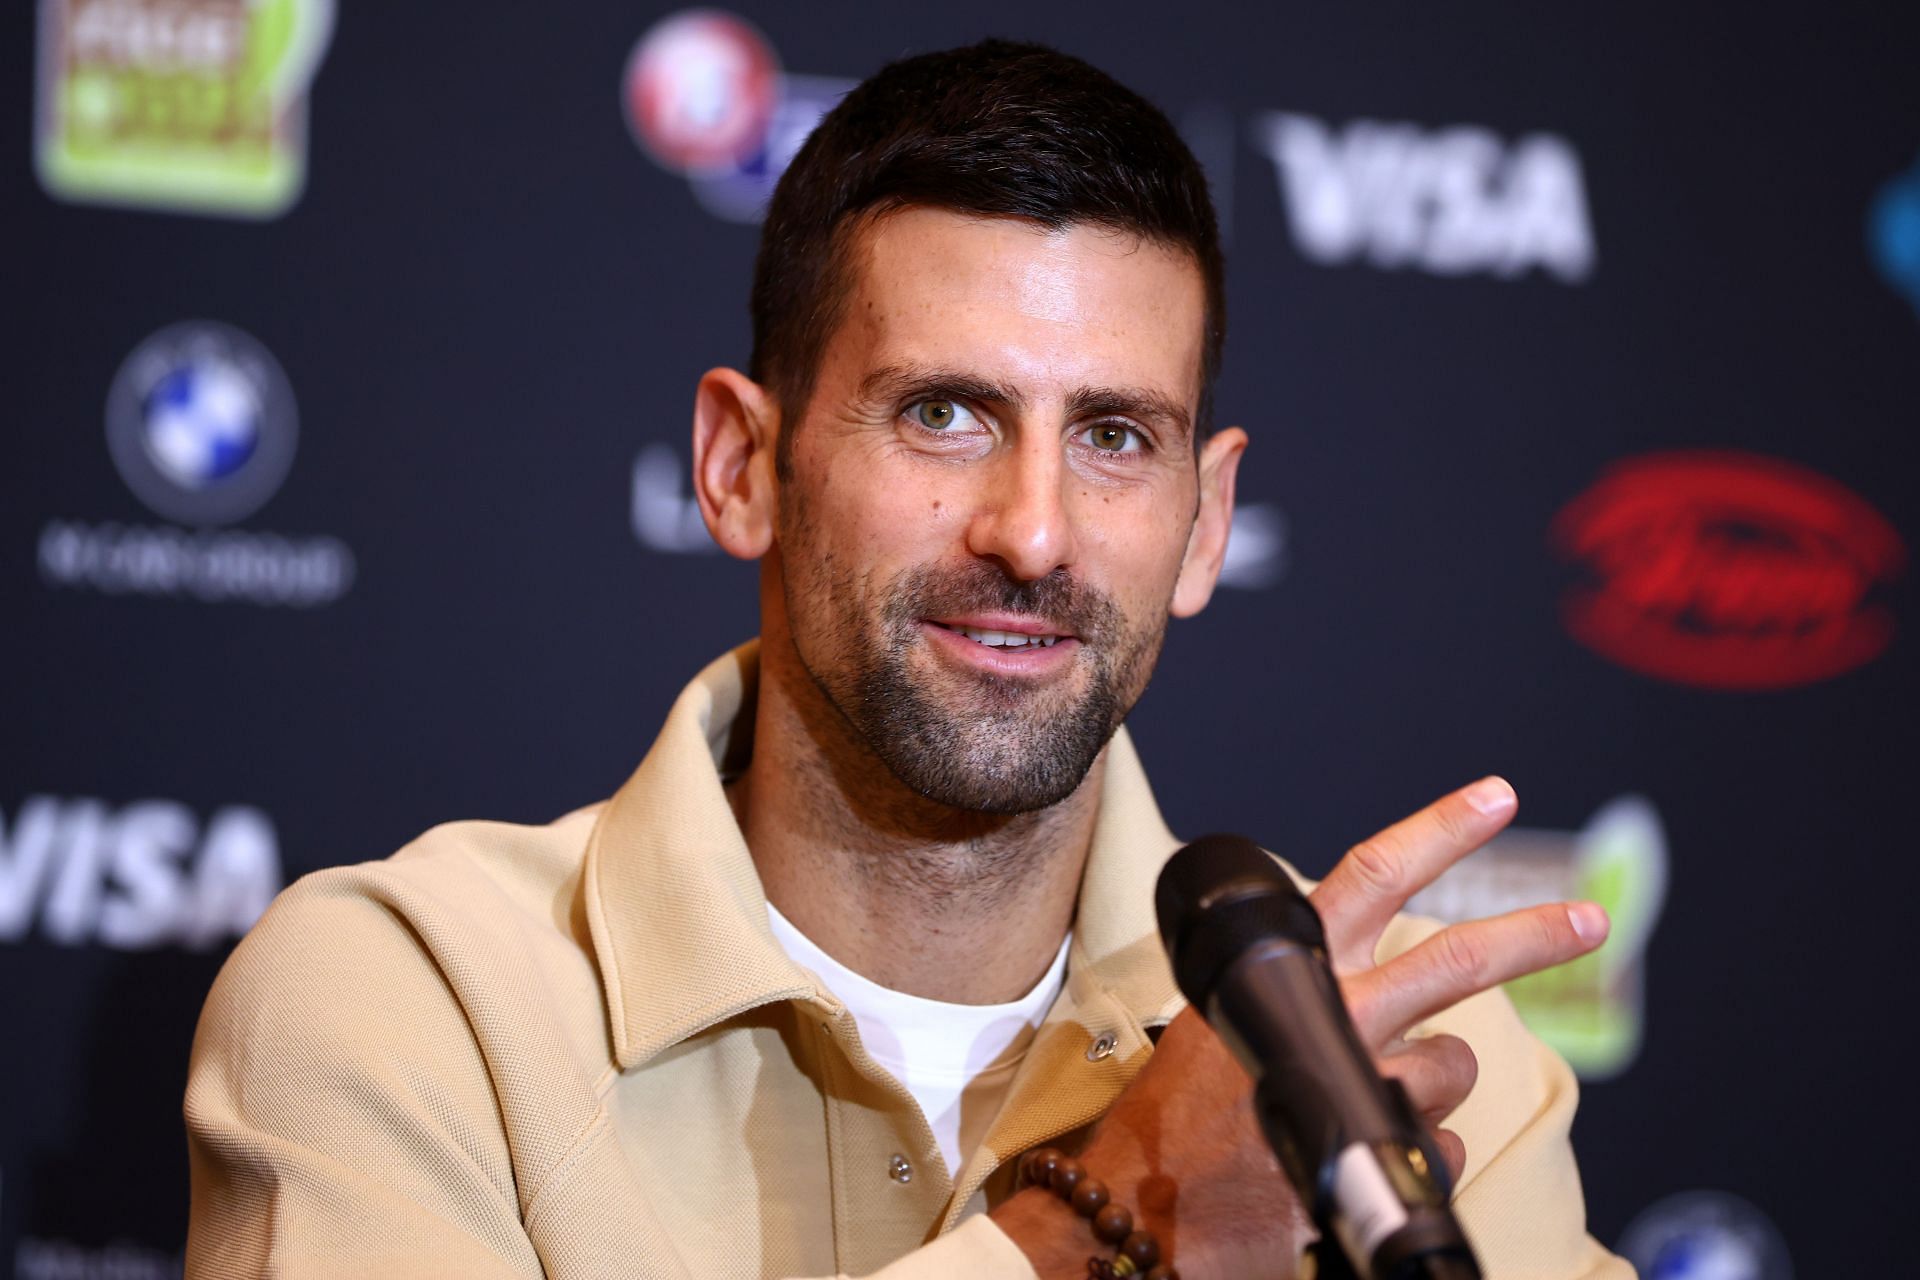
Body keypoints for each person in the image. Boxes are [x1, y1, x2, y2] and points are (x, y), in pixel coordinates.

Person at [184, 40, 1631, 1279]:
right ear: (744, 464)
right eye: (945, 414)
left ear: (1207, 523)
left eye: (1117, 437)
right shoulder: (416, 1002)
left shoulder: (1396, 1065)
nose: (1036, 533)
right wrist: (1100, 1230)